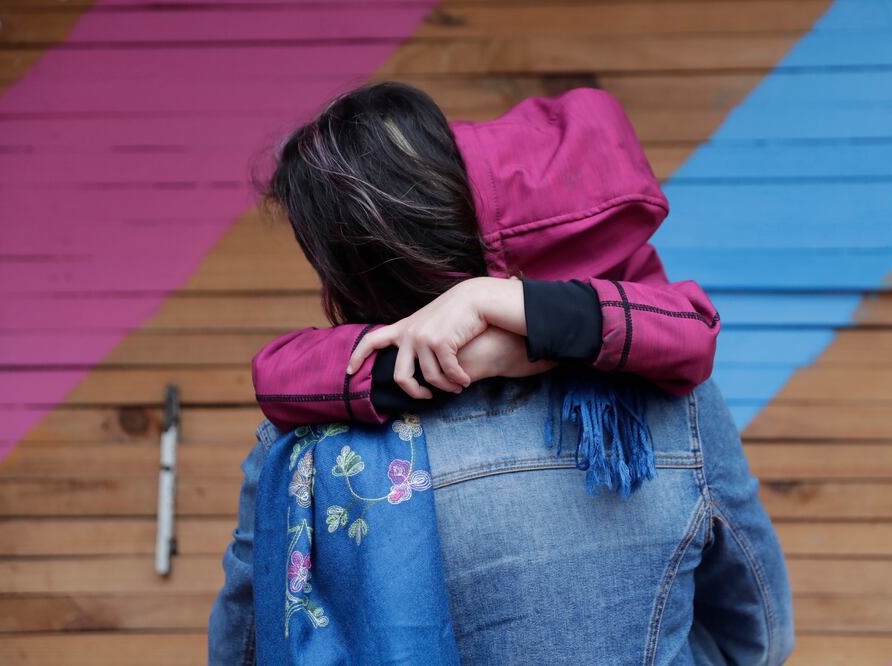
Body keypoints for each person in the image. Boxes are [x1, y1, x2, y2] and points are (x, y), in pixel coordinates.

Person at [208, 82, 794, 665]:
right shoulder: (674, 399)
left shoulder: (306, 444)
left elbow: (246, 646)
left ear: (349, 276)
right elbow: (761, 635)